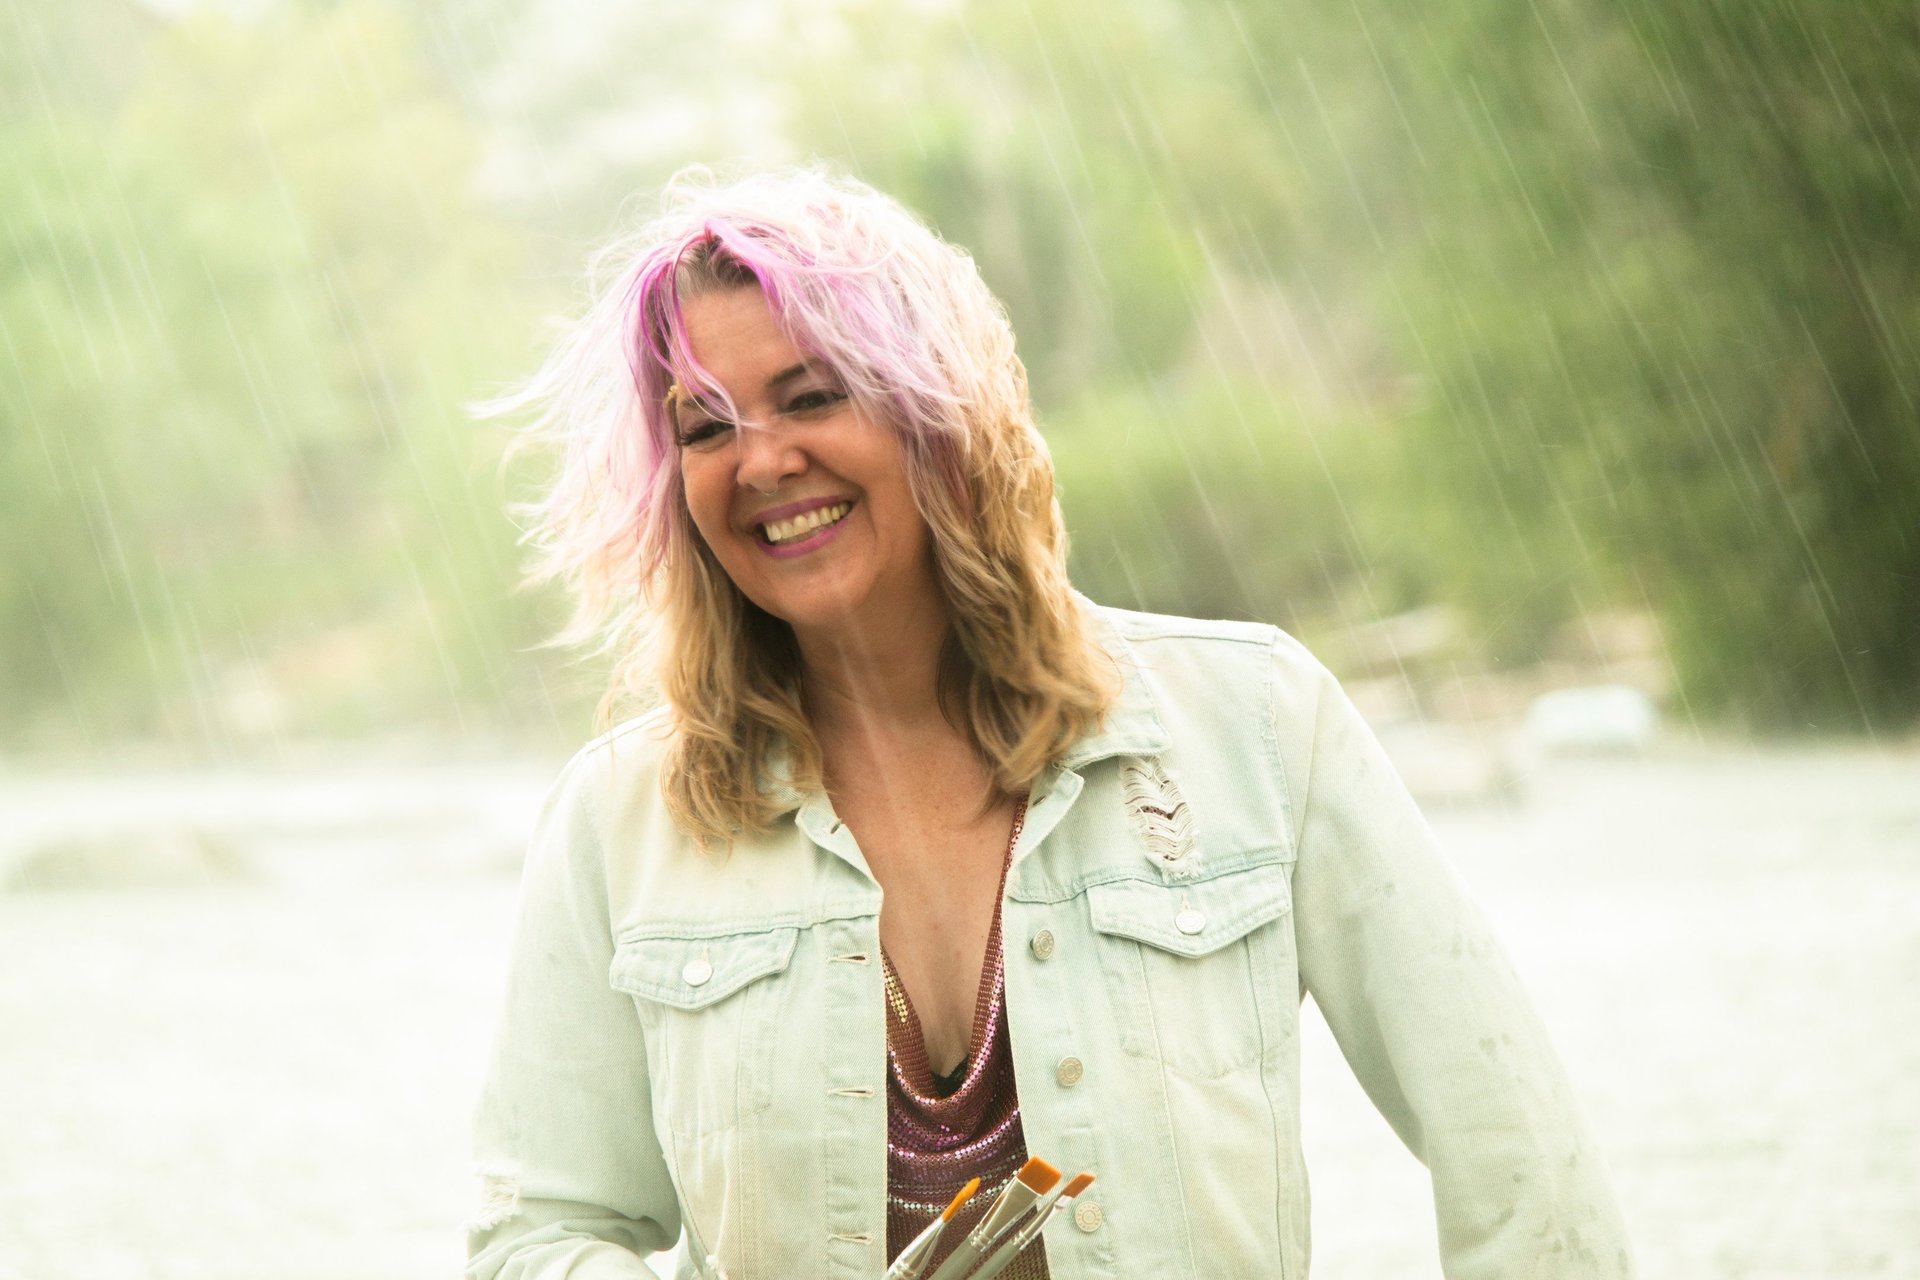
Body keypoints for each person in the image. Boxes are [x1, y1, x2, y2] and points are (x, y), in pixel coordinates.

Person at [467, 168, 1633, 1280]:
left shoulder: (1260, 722)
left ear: (939, 411)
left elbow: (1521, 1156)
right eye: (706, 425)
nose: (763, 459)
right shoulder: (618, 820)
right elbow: (538, 1234)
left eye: (813, 395)